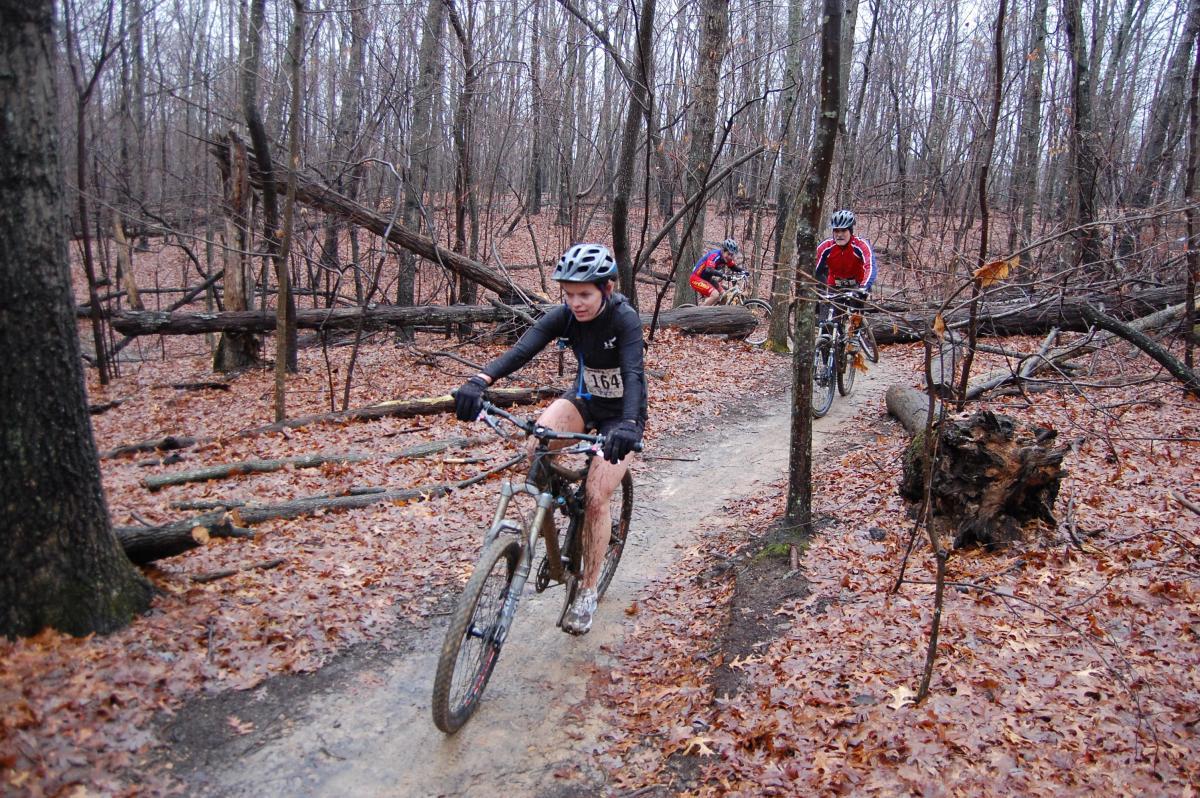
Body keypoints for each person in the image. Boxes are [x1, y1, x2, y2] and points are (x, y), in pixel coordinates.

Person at [453, 243, 646, 636]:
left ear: (606, 289)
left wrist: (629, 425)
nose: (575, 303)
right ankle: (557, 506)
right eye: (569, 294)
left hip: (621, 415)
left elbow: (633, 375)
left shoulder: (624, 320)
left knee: (595, 497)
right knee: (535, 446)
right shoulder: (565, 316)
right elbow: (522, 350)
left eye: (585, 294)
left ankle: (588, 589)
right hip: (586, 400)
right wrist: (480, 380)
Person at [814, 209, 876, 302]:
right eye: (836, 231)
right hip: (834, 286)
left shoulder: (860, 245)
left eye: (843, 231)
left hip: (857, 286)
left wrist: (863, 288)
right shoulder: (826, 246)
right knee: (827, 313)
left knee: (855, 314)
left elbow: (870, 267)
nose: (839, 235)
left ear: (850, 231)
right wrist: (817, 289)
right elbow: (814, 270)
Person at [688, 238, 743, 306]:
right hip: (696, 278)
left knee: (724, 296)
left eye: (731, 255)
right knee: (715, 295)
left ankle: (719, 314)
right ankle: (699, 315)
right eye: (728, 254)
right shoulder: (715, 255)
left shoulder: (726, 258)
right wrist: (722, 275)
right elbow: (709, 270)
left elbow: (733, 267)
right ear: (723, 251)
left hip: (707, 279)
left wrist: (744, 272)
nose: (730, 257)